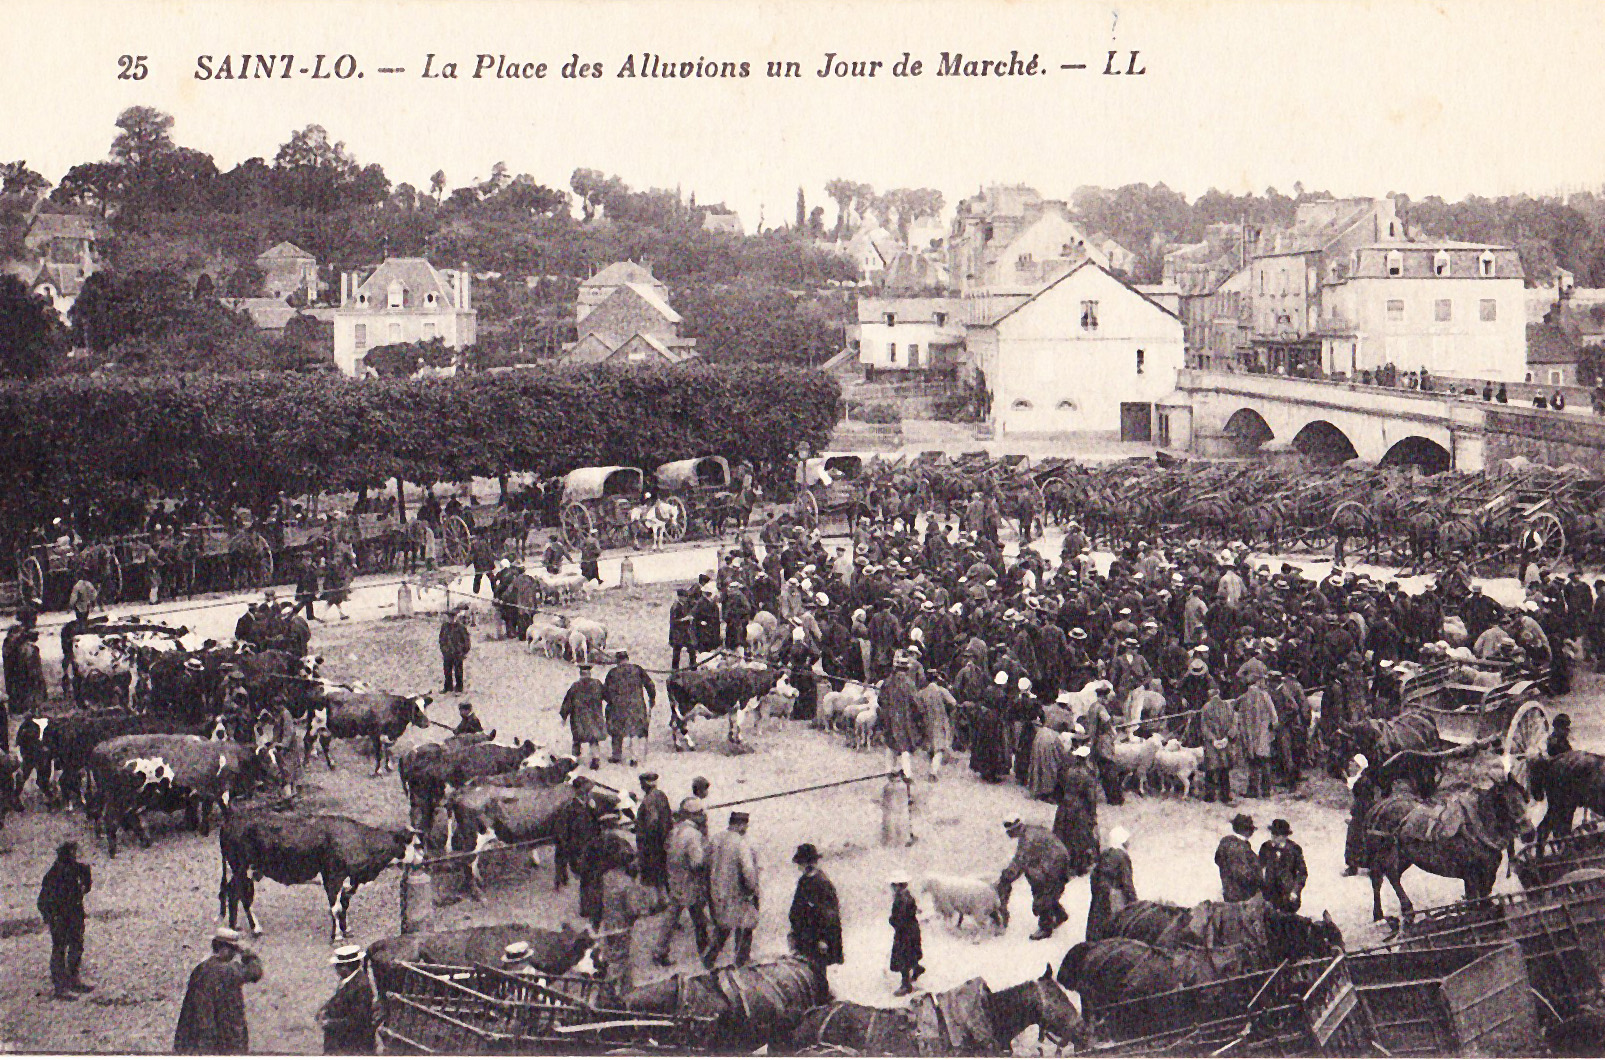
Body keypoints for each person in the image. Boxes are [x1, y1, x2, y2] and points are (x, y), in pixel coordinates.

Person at [174, 927, 264, 1054]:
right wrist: (246, 951)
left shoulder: (200, 969)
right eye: (233, 950)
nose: (234, 954)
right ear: (226, 948)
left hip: (197, 1038)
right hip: (225, 1038)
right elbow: (256, 971)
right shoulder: (231, 971)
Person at [655, 797, 711, 967]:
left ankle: (660, 950)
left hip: (675, 881)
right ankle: (706, 953)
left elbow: (666, 850)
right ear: (694, 815)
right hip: (690, 884)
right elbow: (697, 863)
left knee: (671, 918)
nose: (703, 816)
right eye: (700, 813)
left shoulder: (675, 830)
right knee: (699, 920)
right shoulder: (694, 835)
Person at [997, 818, 1072, 941]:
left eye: (1009, 832)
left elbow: (1020, 861)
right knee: (1044, 887)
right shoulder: (1030, 831)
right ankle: (1059, 914)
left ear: (1015, 829)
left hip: (1054, 865)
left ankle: (1045, 928)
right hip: (1057, 861)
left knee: (1042, 893)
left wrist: (1006, 877)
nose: (1008, 835)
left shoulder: (1028, 839)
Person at [38, 840, 93, 999]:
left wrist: (86, 875)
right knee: (60, 949)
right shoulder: (54, 874)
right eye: (72, 852)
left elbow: (85, 887)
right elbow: (42, 901)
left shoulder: (75, 869)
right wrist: (51, 917)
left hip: (74, 914)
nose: (75, 855)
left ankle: (73, 979)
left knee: (76, 946)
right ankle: (60, 986)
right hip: (60, 917)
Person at [706, 811, 760, 968]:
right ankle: (742, 962)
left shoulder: (715, 839)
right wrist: (752, 890)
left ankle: (709, 959)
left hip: (717, 892)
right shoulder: (741, 843)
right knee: (746, 927)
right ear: (741, 825)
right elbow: (748, 872)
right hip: (737, 893)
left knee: (723, 928)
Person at [788, 843, 843, 991]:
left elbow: (829, 914)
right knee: (807, 969)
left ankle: (823, 999)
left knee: (818, 971)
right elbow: (797, 908)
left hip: (817, 937)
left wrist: (824, 939)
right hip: (804, 935)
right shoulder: (804, 881)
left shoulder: (822, 883)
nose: (799, 866)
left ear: (808, 863)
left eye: (801, 863)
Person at [317, 945, 376, 1054]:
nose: (336, 969)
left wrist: (330, 1023)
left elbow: (358, 1021)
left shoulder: (360, 987)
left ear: (345, 967)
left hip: (354, 1045)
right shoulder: (350, 981)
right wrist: (324, 1009)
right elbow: (337, 999)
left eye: (337, 966)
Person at [1053, 744, 1101, 876]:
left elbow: (1058, 788)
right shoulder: (1087, 776)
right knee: (1080, 838)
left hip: (1064, 807)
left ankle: (1062, 865)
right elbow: (1091, 798)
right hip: (1079, 810)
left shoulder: (1068, 771)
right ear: (1086, 758)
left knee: (1064, 836)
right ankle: (1079, 866)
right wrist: (1093, 815)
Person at [603, 650, 656, 766]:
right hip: (636, 705)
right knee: (634, 731)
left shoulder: (612, 672)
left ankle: (616, 755)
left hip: (618, 706)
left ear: (617, 661)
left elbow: (605, 691)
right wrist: (652, 699)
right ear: (627, 659)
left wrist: (611, 702)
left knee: (617, 731)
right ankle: (634, 757)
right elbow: (650, 685)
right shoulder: (637, 669)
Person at [1086, 826, 1137, 942]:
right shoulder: (1122, 857)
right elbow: (1127, 883)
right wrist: (1134, 903)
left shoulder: (1105, 854)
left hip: (1101, 894)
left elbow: (1094, 875)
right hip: (1113, 895)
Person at [560, 663, 608, 769]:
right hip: (594, 717)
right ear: (589, 673)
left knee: (577, 739)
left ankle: (575, 759)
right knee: (593, 740)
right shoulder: (597, 684)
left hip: (579, 718)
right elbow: (607, 696)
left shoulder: (575, 686)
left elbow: (567, 702)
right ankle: (595, 759)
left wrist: (564, 716)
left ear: (580, 674)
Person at [1258, 819, 1308, 914]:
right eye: (1272, 833)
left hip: (1287, 896)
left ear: (1285, 836)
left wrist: (1295, 891)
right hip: (1270, 895)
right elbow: (1259, 868)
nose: (1273, 837)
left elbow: (1302, 873)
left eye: (1277, 834)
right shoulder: (1265, 847)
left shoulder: (1294, 850)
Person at [634, 772, 673, 891]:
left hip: (652, 844)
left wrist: (643, 835)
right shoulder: (661, 795)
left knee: (653, 874)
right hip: (664, 839)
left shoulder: (649, 799)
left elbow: (653, 821)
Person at [888, 872, 924, 996]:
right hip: (912, 929)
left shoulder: (900, 900)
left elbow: (899, 918)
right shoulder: (908, 896)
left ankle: (905, 985)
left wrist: (892, 921)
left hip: (904, 933)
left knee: (903, 957)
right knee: (912, 952)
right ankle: (917, 968)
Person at [1200, 689, 1237, 805]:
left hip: (1212, 743)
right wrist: (1228, 737)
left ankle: (1210, 795)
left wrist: (1213, 739)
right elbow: (1234, 724)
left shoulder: (1206, 707)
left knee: (1211, 769)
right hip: (1225, 742)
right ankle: (1225, 794)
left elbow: (1204, 727)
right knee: (1224, 769)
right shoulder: (1228, 706)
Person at [1215, 813, 1262, 902]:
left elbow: (1218, 860)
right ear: (1248, 831)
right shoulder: (1240, 846)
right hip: (1242, 895)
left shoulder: (1225, 843)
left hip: (1228, 890)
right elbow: (1243, 873)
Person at [439, 605, 470, 694]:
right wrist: (443, 649)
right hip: (447, 652)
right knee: (447, 670)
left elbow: (466, 640)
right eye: (450, 617)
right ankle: (448, 687)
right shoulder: (444, 627)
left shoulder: (460, 627)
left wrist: (464, 651)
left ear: (456, 617)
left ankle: (459, 688)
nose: (451, 619)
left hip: (458, 653)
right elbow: (441, 639)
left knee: (458, 671)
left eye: (453, 617)